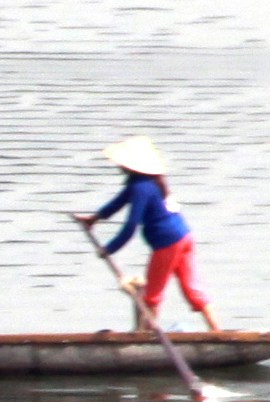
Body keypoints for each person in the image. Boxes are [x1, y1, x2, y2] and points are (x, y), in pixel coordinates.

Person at [80, 135, 220, 332]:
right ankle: (217, 331)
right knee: (192, 290)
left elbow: (131, 225)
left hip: (168, 244)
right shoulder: (148, 181)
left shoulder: (141, 187)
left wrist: (109, 249)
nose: (119, 166)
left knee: (152, 296)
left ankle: (145, 338)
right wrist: (94, 218)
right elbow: (117, 203)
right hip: (184, 237)